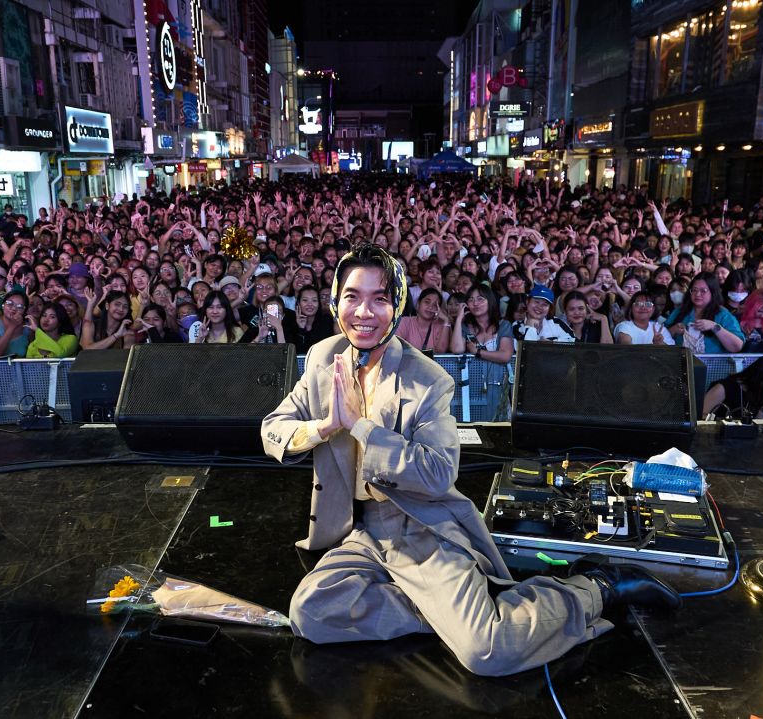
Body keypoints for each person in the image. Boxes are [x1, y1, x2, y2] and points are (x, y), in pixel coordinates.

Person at [261, 243, 680, 677]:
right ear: (336, 301)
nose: (363, 312)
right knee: (311, 614)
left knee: (488, 651)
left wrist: (361, 428)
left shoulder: (427, 379)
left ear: (397, 305)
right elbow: (272, 429)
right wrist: (325, 426)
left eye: (379, 298)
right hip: (361, 532)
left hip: (420, 528)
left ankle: (596, 587)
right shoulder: (324, 359)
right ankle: (445, 613)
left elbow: (439, 473)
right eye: (352, 296)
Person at [450, 284, 515, 421]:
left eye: (480, 299)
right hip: (474, 385)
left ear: (490, 301)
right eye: (471, 300)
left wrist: (477, 352)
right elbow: (457, 349)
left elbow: (505, 355)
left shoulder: (503, 325)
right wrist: (459, 319)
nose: (475, 303)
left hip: (499, 384)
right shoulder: (465, 327)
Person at [665, 272, 745, 353]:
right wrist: (673, 330)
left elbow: (737, 347)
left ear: (713, 292)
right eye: (694, 290)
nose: (698, 294)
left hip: (713, 361)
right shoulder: (679, 311)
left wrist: (714, 327)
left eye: (703, 291)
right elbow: (661, 338)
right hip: (682, 360)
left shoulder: (722, 314)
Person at [702, 355, 763, 419]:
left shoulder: (758, 392)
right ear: (761, 380)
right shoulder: (723, 388)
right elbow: (702, 415)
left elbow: (759, 417)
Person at [396, 288, 451, 354]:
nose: (430, 307)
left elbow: (441, 351)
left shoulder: (441, 325)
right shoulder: (404, 322)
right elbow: (397, 348)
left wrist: (446, 321)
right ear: (418, 304)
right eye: (427, 302)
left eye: (435, 305)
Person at [0, 289, 31, 358]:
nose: (13, 308)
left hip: (19, 365)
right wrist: (12, 326)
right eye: (10, 303)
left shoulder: (27, 327)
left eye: (19, 306)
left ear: (25, 311)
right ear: (3, 305)